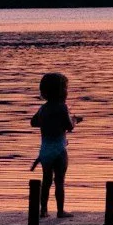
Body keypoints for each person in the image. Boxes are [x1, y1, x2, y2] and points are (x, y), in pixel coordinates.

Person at [31, 71, 80, 216]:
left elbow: (33, 122)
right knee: (59, 181)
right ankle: (60, 211)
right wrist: (75, 119)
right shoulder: (62, 107)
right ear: (60, 91)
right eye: (65, 88)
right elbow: (69, 126)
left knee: (46, 181)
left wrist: (48, 121)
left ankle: (43, 210)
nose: (67, 91)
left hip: (45, 150)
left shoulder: (43, 108)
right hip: (59, 150)